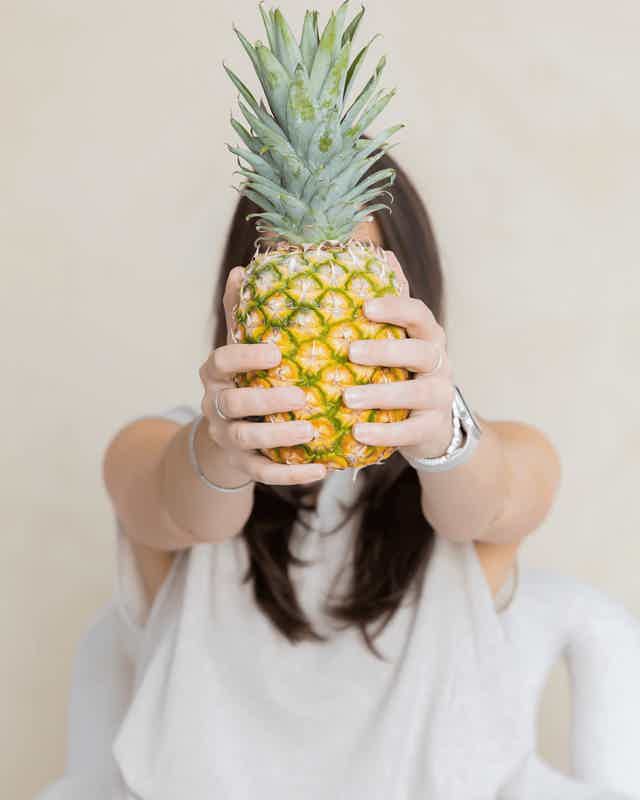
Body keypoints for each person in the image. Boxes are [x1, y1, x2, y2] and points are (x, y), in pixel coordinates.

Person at [56, 148, 629, 800]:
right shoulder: (155, 447)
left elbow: (485, 502)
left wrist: (442, 432)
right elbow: (180, 506)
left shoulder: (496, 453)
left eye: (350, 270)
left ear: (412, 291)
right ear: (247, 288)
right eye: (295, 278)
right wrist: (222, 449)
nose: (320, 316)